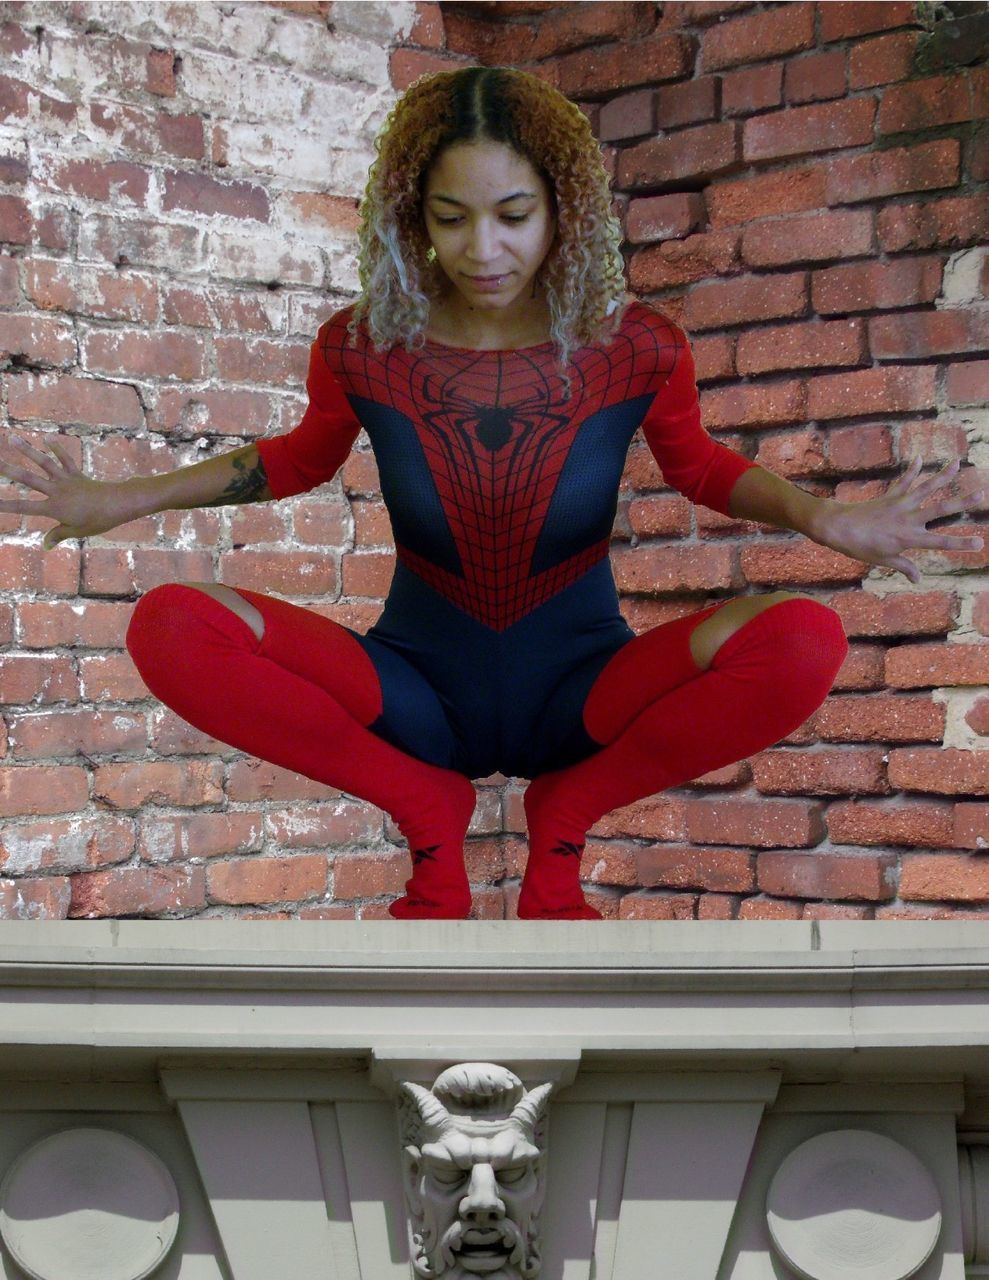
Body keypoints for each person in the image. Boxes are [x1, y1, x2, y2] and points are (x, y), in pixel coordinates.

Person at [2, 66, 982, 920]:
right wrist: (119, 499)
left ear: (560, 211)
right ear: (409, 216)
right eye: (448, 216)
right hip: (415, 692)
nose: (482, 248)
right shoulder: (360, 344)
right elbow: (298, 460)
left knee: (804, 636)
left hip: (581, 694)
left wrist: (822, 515)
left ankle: (564, 822)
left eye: (511, 215)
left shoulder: (636, 344)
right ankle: (427, 813)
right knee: (172, 624)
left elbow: (699, 468)